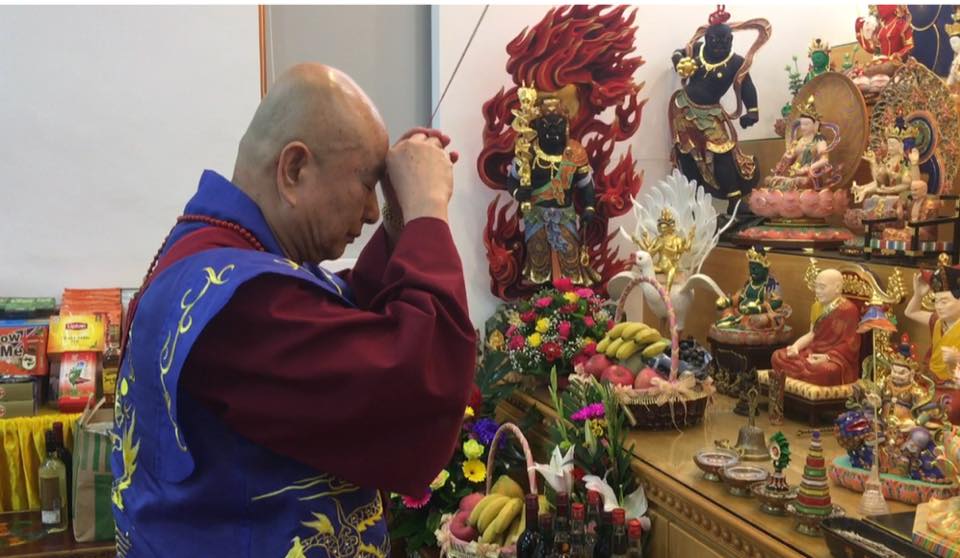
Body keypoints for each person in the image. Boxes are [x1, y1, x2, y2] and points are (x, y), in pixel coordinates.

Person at [110, 63, 476, 557]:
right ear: (294, 170)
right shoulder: (239, 306)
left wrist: (398, 220)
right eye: (366, 183)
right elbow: (411, 385)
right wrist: (428, 212)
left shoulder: (211, 257)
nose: (372, 211)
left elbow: (331, 322)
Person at [771, 268, 862, 386]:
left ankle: (803, 371)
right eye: (816, 287)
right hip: (812, 352)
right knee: (777, 356)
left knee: (826, 371)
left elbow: (851, 344)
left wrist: (827, 357)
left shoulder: (849, 310)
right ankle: (805, 370)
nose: (817, 291)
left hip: (834, 358)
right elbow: (812, 334)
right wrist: (795, 347)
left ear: (837, 288)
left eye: (822, 287)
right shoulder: (817, 307)